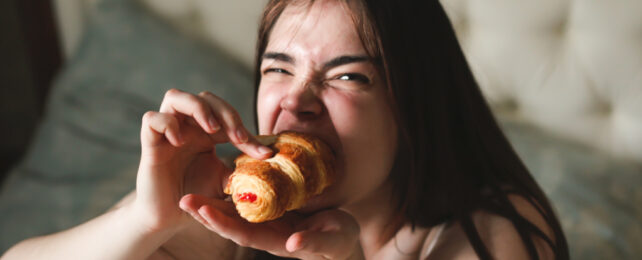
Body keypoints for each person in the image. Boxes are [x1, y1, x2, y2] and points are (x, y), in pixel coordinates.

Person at [2, 0, 569, 259]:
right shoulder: (235, 207)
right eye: (278, 68)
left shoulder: (491, 233)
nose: (296, 102)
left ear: (414, 107)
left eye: (348, 76)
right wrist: (145, 220)